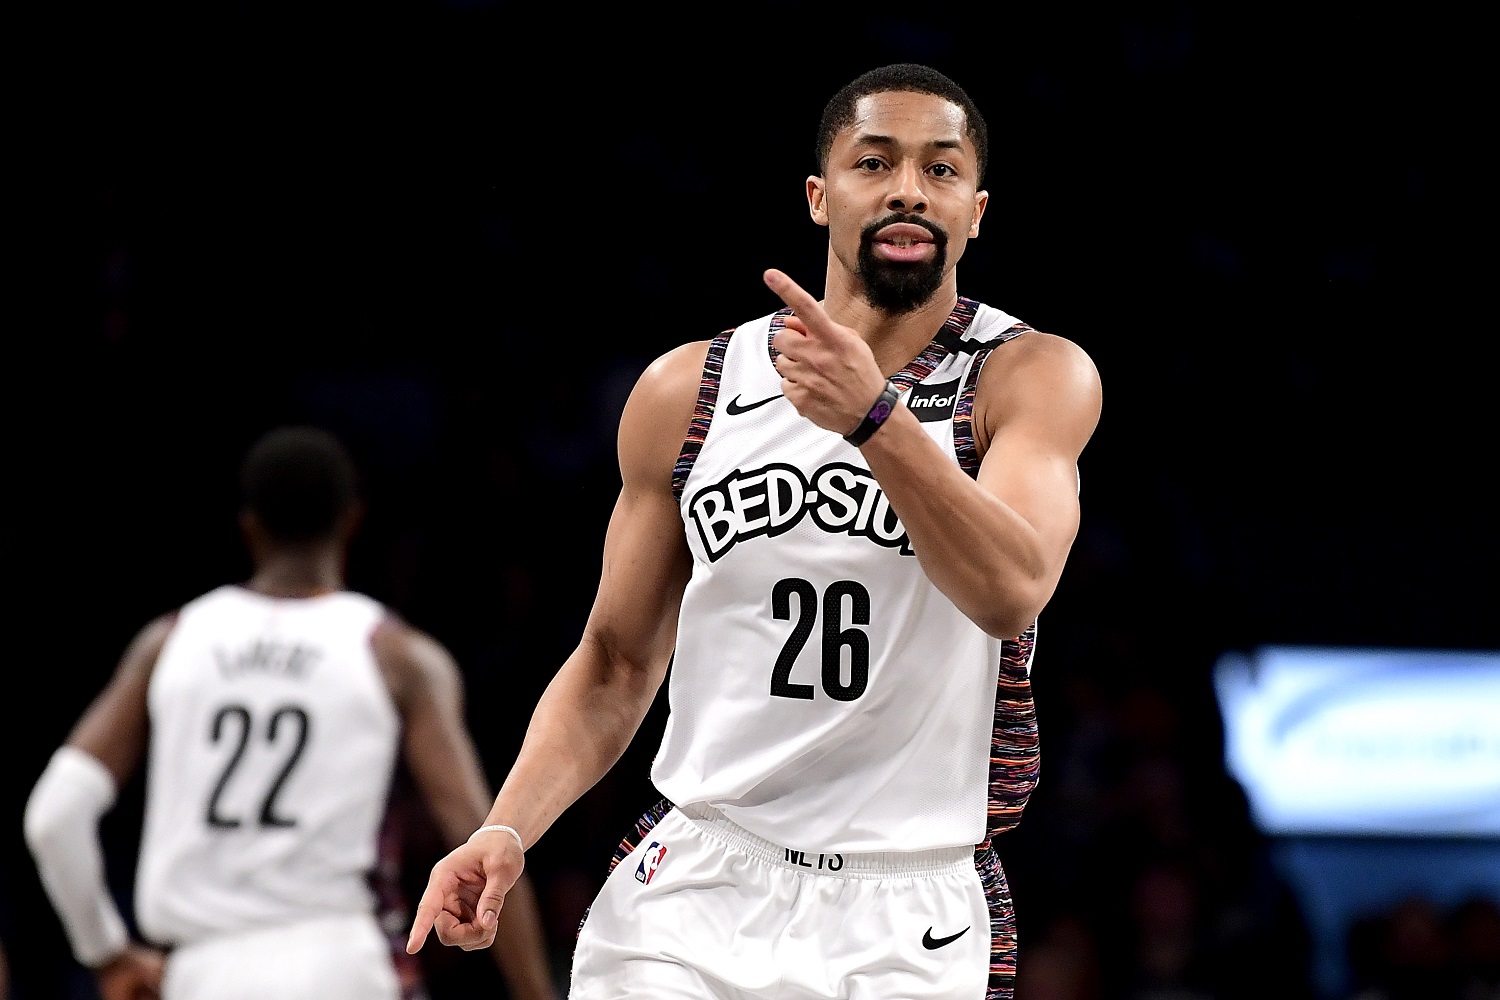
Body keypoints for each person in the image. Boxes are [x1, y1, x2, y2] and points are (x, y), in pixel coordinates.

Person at [405, 62, 1103, 1000]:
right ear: (821, 198)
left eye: (941, 170)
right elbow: (614, 661)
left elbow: (1011, 588)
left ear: (976, 211)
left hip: (908, 902)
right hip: (697, 880)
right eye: (875, 161)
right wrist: (507, 826)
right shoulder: (687, 389)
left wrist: (876, 420)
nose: (908, 188)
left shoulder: (1028, 377)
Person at [23, 425, 561, 1000]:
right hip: (342, 961)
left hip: (200, 971)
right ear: (353, 519)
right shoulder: (396, 654)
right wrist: (535, 990)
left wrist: (105, 950)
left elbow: (55, 815)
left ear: (247, 526)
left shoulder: (170, 641)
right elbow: (478, 834)